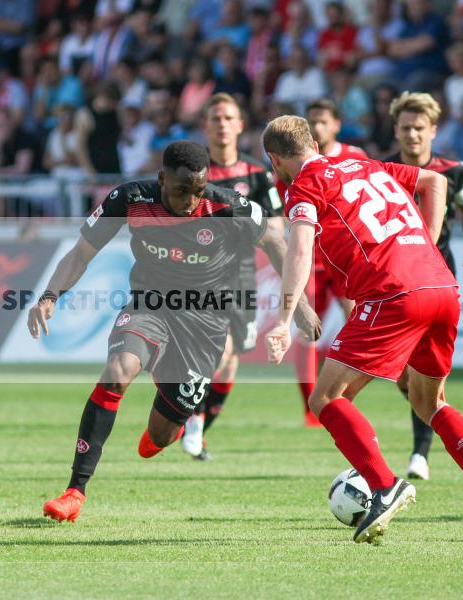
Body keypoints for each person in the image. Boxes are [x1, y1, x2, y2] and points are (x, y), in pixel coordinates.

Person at [30, 140, 318, 523]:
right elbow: (81, 253)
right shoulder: (130, 198)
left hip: (206, 323)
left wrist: (298, 306)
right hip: (149, 304)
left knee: (162, 436)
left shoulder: (227, 205)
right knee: (117, 371)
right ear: (162, 179)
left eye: (198, 190)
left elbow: (276, 244)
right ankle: (74, 491)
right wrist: (50, 296)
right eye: (182, 190)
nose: (191, 200)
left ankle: (165, 431)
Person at [263, 115, 463, 543]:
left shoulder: (304, 186)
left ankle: (384, 483)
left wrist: (285, 318)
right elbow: (436, 183)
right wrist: (426, 243)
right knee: (429, 401)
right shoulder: (367, 165)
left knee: (326, 397)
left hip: (392, 294)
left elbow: (300, 249)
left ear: (275, 160)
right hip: (440, 285)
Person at [178, 93, 285, 461]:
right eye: (215, 118)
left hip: (241, 273)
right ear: (206, 126)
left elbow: (275, 224)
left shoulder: (257, 175)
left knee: (233, 355)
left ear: (240, 126)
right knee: (218, 348)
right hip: (198, 272)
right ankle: (191, 421)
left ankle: (198, 428)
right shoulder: (192, 173)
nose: (222, 124)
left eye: (228, 118)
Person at [384, 91, 463, 480]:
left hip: (438, 281)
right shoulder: (382, 170)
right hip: (393, 282)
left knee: (426, 373)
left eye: (419, 128)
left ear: (433, 130)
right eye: (405, 128)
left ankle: (420, 453)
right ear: (396, 130)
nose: (412, 135)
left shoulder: (452, 170)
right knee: (404, 376)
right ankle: (437, 430)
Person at [290, 99, 366, 427]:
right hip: (312, 262)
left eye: (323, 121)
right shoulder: (297, 163)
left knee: (358, 325)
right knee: (307, 330)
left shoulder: (357, 158)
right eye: (312, 122)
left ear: (336, 124)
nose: (317, 127)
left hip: (347, 262)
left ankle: (341, 396)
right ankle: (311, 408)